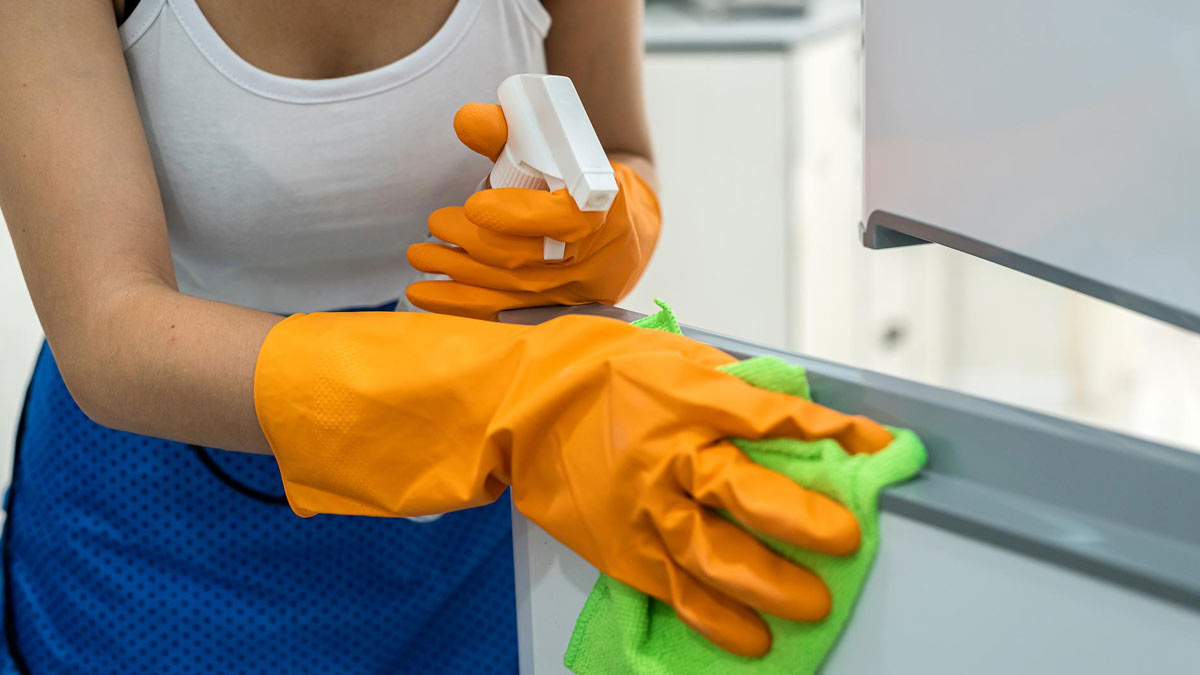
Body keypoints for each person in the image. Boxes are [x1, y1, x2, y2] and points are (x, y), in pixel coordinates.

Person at [0, 0, 892, 671]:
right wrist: (502, 396)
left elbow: (621, 143)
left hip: (475, 507)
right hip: (160, 510)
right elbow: (109, 322)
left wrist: (610, 221)